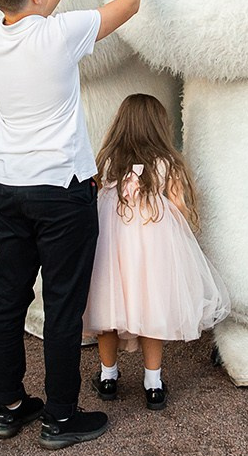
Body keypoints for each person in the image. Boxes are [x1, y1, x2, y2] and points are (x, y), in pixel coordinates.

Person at [0, 0, 143, 451]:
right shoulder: (60, 35)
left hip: (11, 188)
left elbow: (34, 9)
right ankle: (60, 417)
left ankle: (7, 408)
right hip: (63, 194)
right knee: (64, 304)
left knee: (8, 300)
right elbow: (129, 3)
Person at [85, 92, 229, 409]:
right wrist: (188, 228)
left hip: (112, 248)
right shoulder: (166, 164)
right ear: (157, 126)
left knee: (107, 309)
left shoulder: (107, 162)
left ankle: (108, 376)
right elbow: (177, 205)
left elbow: (93, 198)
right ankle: (153, 383)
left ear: (121, 124)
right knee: (153, 309)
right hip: (154, 251)